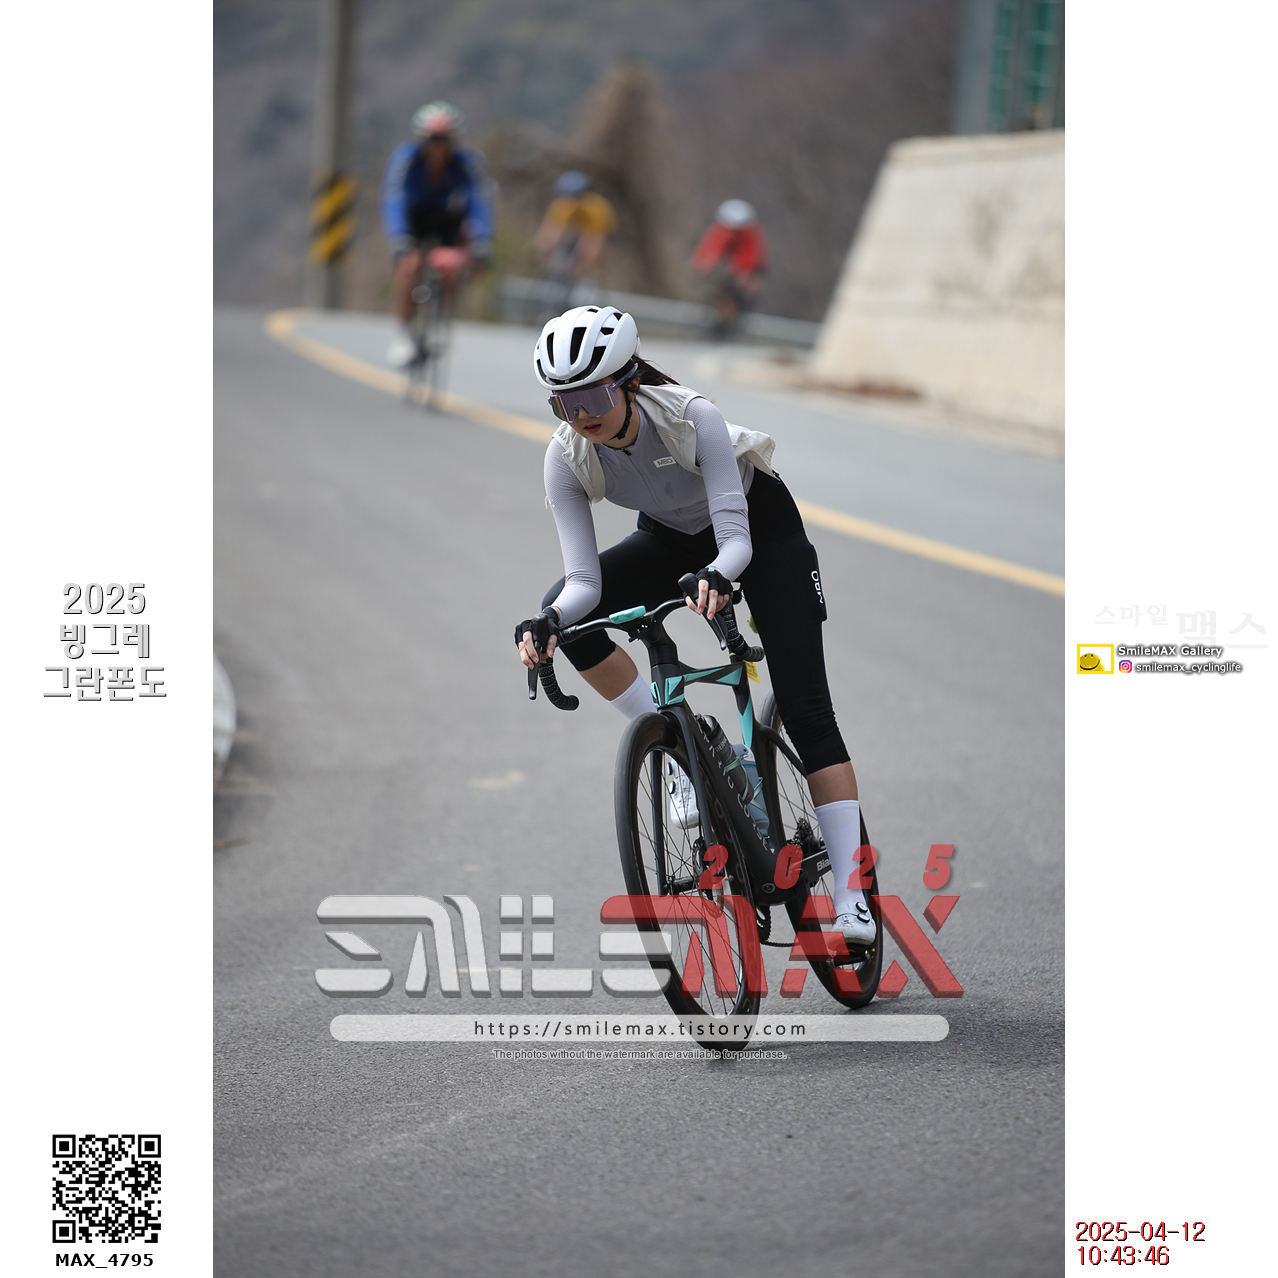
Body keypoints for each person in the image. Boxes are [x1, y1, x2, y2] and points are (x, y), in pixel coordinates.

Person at [513, 305, 874, 946]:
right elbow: (583, 585)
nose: (581, 415)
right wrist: (547, 622)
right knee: (571, 620)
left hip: (759, 533)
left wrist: (717, 576)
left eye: (594, 396)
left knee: (807, 711)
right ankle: (678, 748)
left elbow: (736, 543)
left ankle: (852, 899)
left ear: (629, 382)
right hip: (672, 541)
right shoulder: (565, 457)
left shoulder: (690, 417)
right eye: (564, 404)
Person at [380, 101, 493, 367]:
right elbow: (394, 198)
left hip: (448, 218)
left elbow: (480, 202)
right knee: (410, 267)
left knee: (452, 266)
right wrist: (399, 236)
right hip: (414, 218)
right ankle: (402, 334)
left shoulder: (468, 163)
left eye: (444, 141)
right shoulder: (406, 159)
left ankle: (442, 320)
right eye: (432, 140)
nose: (438, 148)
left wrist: (482, 240)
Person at [534, 171, 617, 304]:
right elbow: (551, 231)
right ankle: (553, 296)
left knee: (588, 277)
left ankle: (588, 296)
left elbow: (595, 242)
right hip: (572, 238)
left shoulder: (597, 209)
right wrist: (541, 251)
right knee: (558, 265)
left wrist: (582, 267)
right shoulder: (561, 205)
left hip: (592, 240)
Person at [689, 199, 767, 337]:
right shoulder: (719, 232)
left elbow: (752, 259)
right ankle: (715, 317)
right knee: (716, 289)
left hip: (743, 273)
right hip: (723, 271)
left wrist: (745, 275)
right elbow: (708, 253)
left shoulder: (751, 236)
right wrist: (705, 266)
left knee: (746, 292)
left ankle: (735, 320)